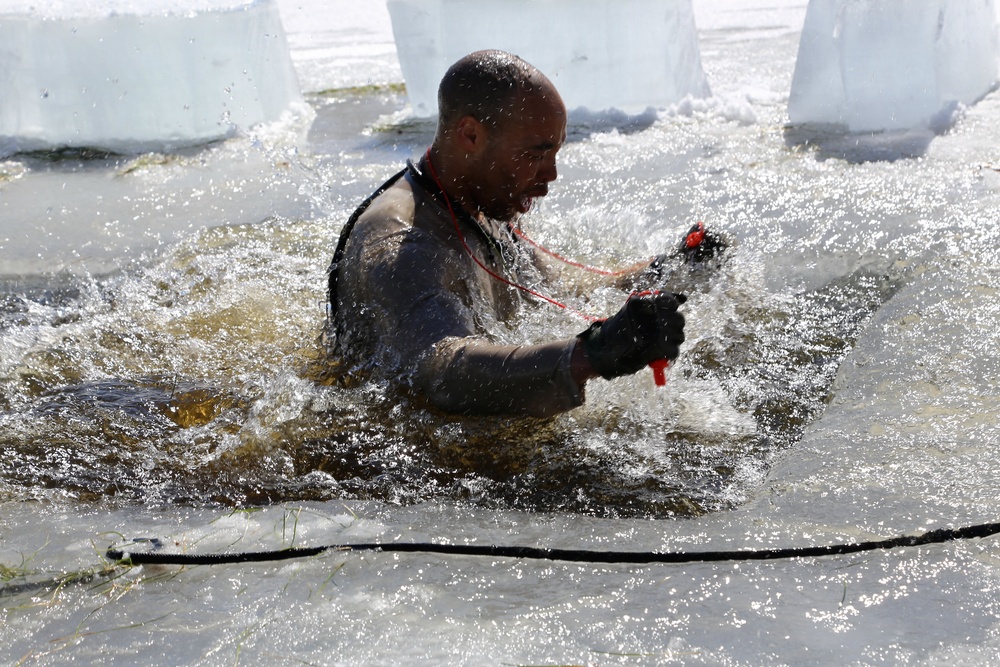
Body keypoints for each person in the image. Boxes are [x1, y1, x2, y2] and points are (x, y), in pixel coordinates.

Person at [327, 50, 692, 418]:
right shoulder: (402, 241)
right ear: (470, 135)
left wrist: (672, 268)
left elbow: (556, 294)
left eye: (556, 152)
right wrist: (591, 354)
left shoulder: (483, 203)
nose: (551, 176)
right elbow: (441, 370)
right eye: (536, 154)